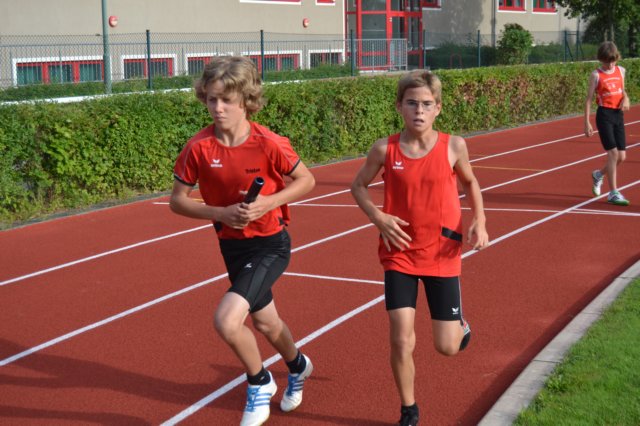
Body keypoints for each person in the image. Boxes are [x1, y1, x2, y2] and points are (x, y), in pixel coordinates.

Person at [170, 56, 315, 426]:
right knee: (266, 323)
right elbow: (177, 202)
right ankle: (298, 365)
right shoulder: (198, 148)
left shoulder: (268, 142)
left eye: (226, 100)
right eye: (211, 99)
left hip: (270, 243)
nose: (217, 108)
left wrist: (268, 202)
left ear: (246, 100)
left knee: (227, 320)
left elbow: (306, 180)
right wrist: (221, 213)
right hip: (232, 246)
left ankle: (259, 382)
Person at [350, 70, 489, 426]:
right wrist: (378, 217)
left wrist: (480, 220)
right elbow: (358, 186)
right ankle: (408, 409)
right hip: (399, 253)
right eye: (412, 103)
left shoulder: (453, 146)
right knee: (401, 338)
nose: (419, 111)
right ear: (399, 106)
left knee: (447, 347)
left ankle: (461, 325)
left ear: (438, 108)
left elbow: (471, 183)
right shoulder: (385, 149)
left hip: (442, 253)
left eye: (427, 104)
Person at [584, 41, 631, 206]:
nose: (610, 65)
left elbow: (622, 91)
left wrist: (626, 99)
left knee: (622, 157)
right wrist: (587, 122)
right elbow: (589, 100)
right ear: (600, 59)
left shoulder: (621, 71)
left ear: (616, 58)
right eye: (606, 61)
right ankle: (613, 193)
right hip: (604, 115)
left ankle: (598, 174)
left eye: (612, 61)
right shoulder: (596, 75)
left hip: (618, 115)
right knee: (613, 154)